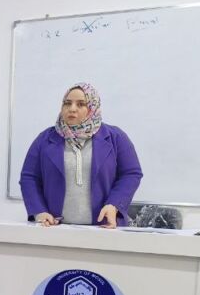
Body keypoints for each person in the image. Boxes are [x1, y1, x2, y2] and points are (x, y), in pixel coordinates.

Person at [20, 83, 142, 227]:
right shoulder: (45, 139)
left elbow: (131, 173)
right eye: (67, 103)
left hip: (103, 228)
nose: (72, 108)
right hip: (55, 228)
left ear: (92, 107)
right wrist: (39, 211)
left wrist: (114, 204)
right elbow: (29, 177)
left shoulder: (115, 137)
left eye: (81, 104)